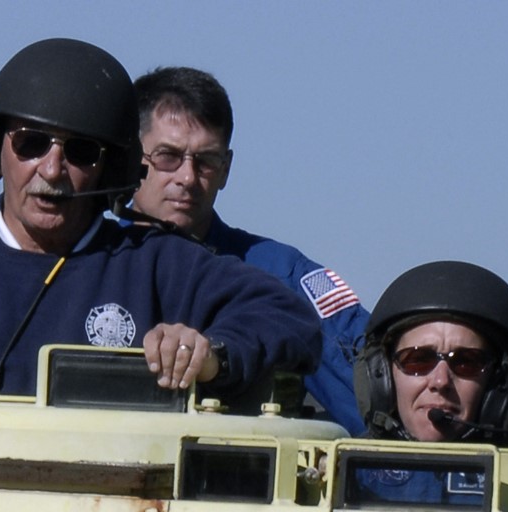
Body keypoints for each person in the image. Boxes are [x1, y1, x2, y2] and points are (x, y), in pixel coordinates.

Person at [0, 38, 319, 401]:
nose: (52, 169)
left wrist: (211, 355)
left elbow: (291, 319)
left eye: (80, 152)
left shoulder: (158, 265)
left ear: (114, 169)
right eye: (31, 143)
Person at [124, 66, 370, 431]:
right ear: (132, 158)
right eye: (168, 156)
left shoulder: (281, 275)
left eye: (206, 161)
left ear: (226, 169)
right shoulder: (85, 263)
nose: (187, 177)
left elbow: (377, 400)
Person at [355, 260, 508, 445]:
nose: (441, 381)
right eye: (418, 360)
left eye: (466, 363)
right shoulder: (341, 461)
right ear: (382, 375)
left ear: (499, 382)